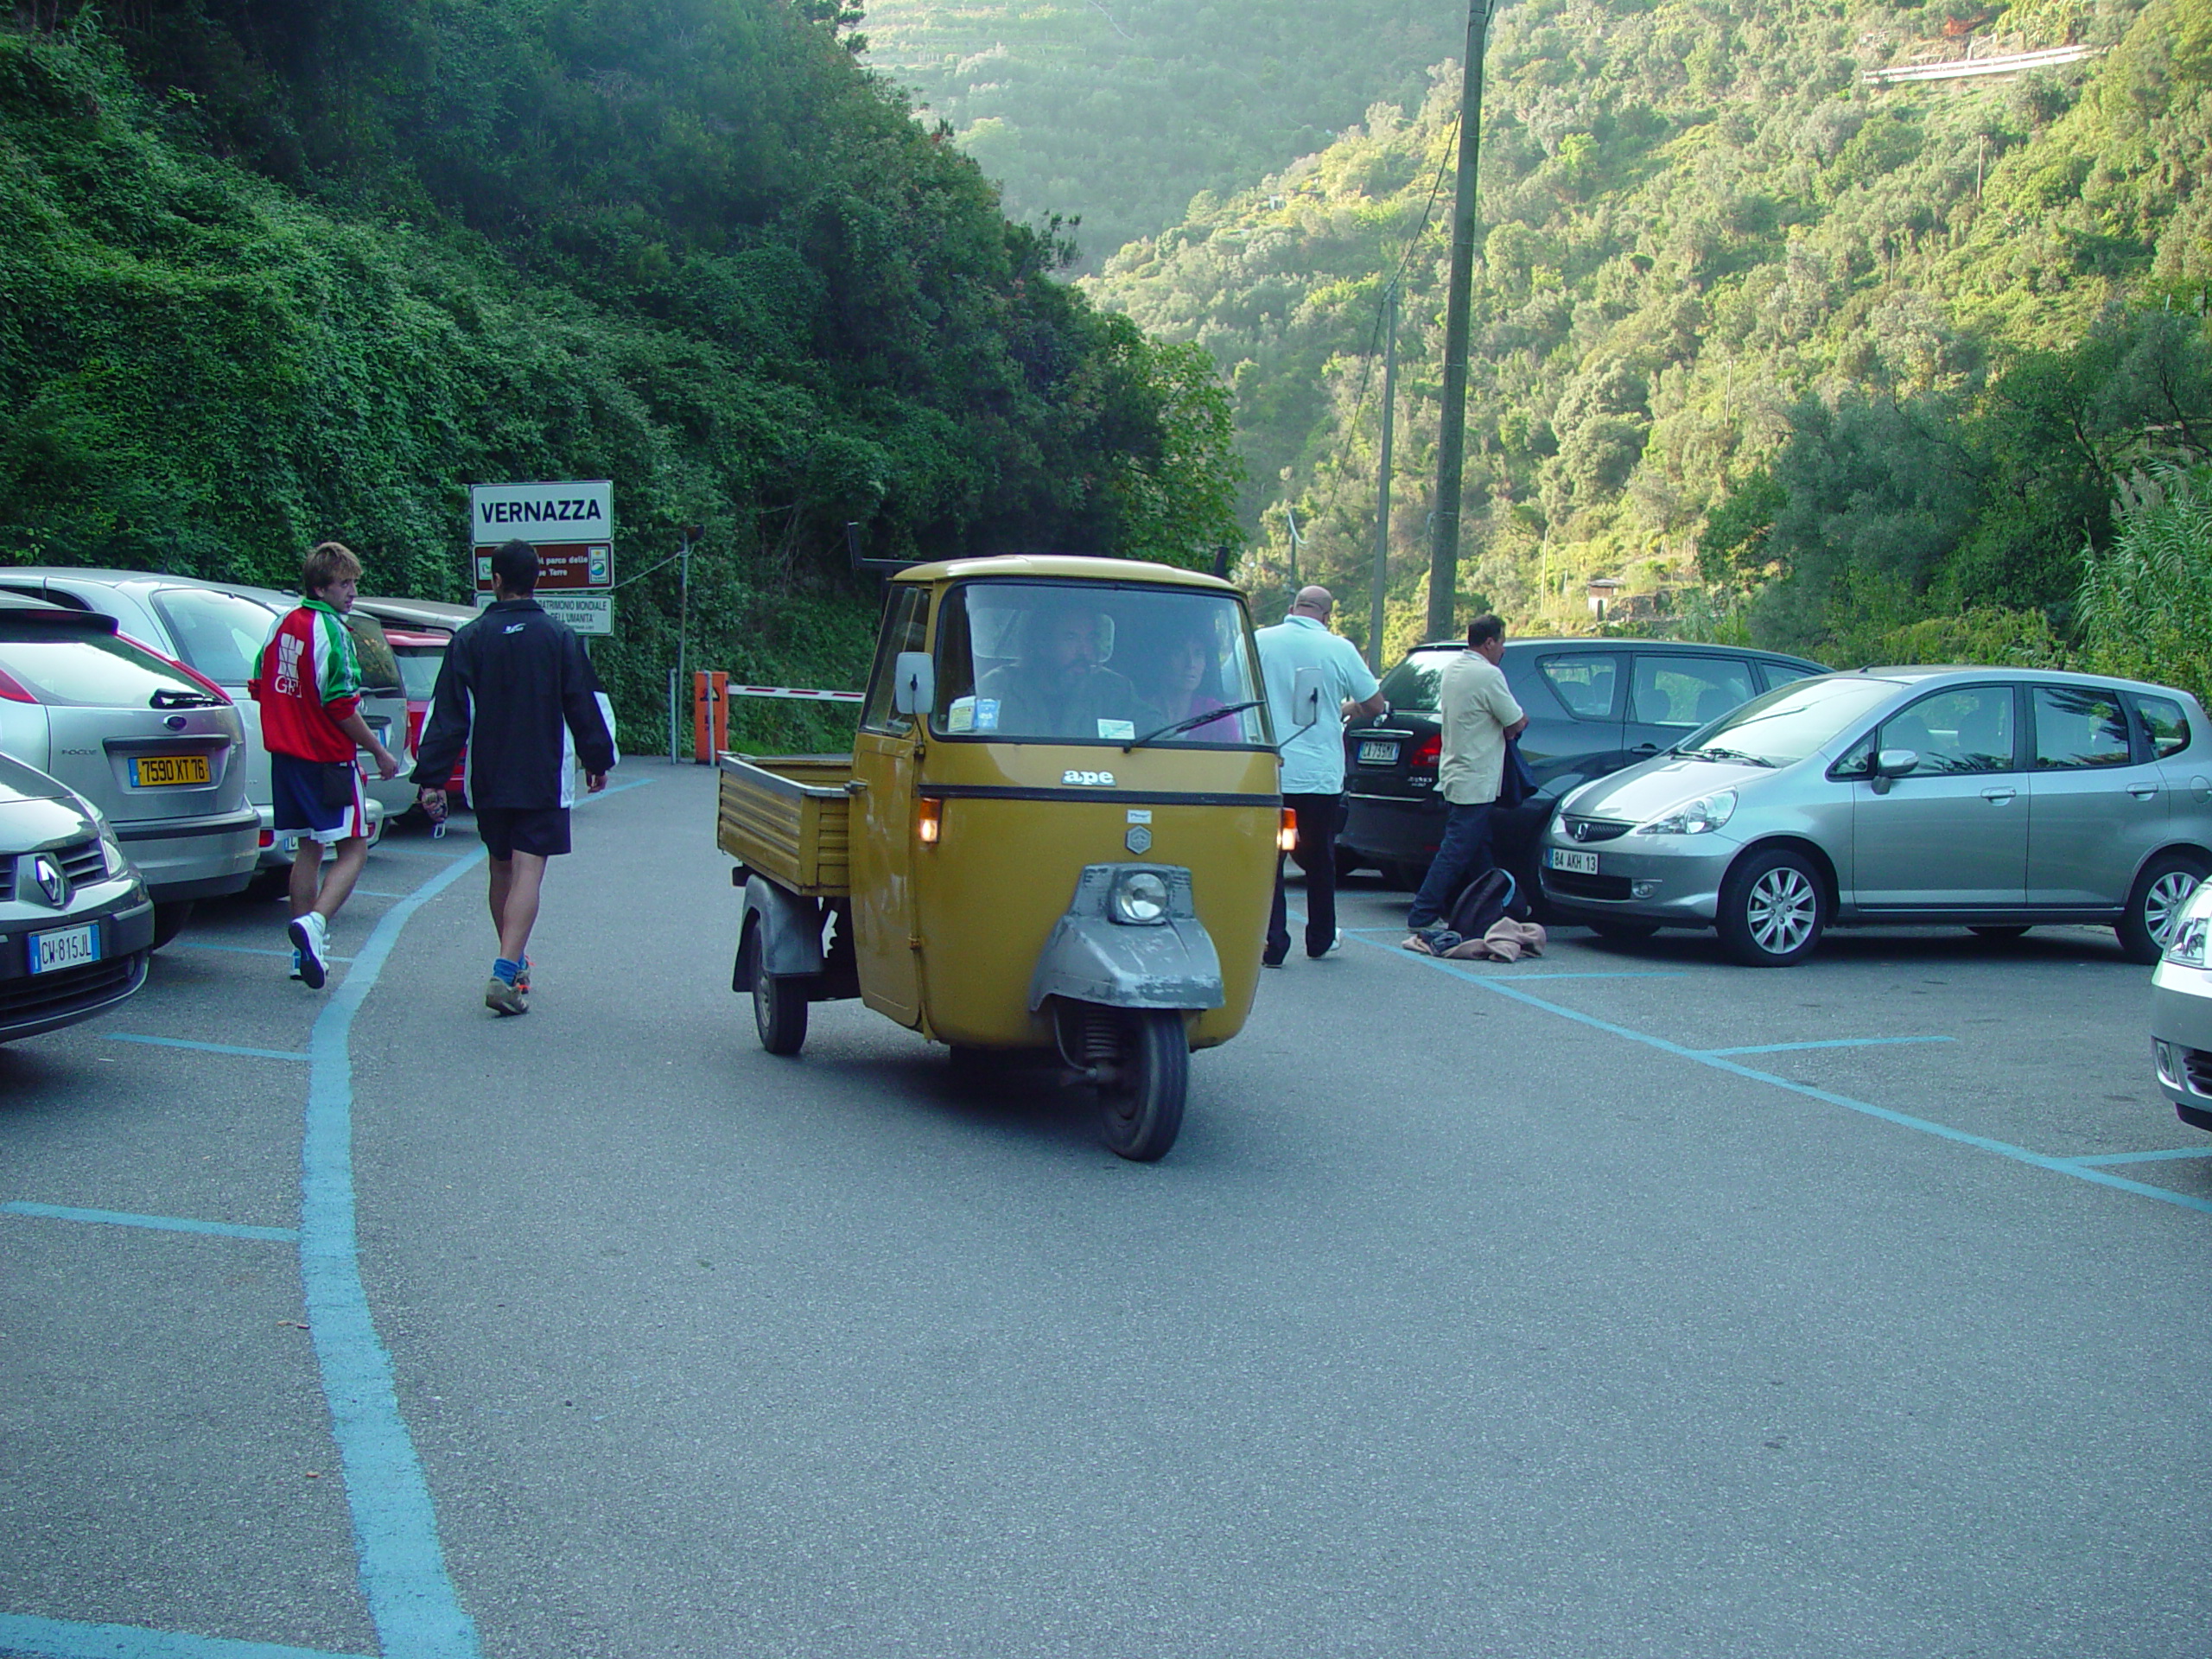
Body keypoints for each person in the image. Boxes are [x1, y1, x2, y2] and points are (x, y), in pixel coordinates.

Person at [411, 540, 618, 1015]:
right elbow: (580, 703)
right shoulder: (557, 636)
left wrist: (432, 778)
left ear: (495, 580)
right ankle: (505, 972)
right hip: (541, 772)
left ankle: (514, 959)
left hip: (490, 773)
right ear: (536, 580)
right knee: (529, 870)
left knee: (500, 866)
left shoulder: (470, 638)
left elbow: (450, 714)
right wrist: (597, 760)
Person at [251, 541, 404, 990]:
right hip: (327, 760)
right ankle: (316, 923)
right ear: (320, 587)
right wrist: (378, 749)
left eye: (354, 582)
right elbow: (339, 703)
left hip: (287, 759)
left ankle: (303, 954)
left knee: (308, 849)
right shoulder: (333, 632)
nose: (352, 592)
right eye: (343, 584)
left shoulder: (280, 624)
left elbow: (260, 682)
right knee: (355, 846)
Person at [1255, 586, 1387, 964]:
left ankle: (1272, 944)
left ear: (1292, 608)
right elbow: (1374, 704)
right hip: (1319, 773)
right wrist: (1344, 706)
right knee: (1319, 858)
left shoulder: (1260, 641)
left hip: (1271, 769)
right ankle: (1321, 937)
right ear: (1327, 615)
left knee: (1270, 860)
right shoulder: (1339, 648)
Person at [1406, 613, 1528, 938]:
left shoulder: (1453, 669)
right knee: (1457, 849)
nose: (1503, 650)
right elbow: (1515, 721)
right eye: (1501, 642)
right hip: (1478, 777)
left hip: (1454, 771)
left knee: (1478, 849)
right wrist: (1516, 725)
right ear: (1489, 643)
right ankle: (1423, 911)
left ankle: (1492, 908)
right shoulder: (1488, 675)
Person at [976, 598, 1147, 740]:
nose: (1084, 652)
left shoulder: (1115, 689)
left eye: (1090, 639)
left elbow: (1158, 734)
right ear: (1043, 644)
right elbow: (974, 744)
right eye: (1070, 638)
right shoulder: (998, 687)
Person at [1134, 620, 1237, 740]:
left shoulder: (1219, 717)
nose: (1191, 663)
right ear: (1162, 659)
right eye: (1179, 653)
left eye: (1198, 654)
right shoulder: (1138, 712)